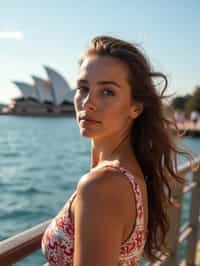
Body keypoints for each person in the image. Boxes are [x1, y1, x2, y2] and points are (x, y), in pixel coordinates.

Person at [41, 36, 192, 265]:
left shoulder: (102, 186)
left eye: (107, 92)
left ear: (135, 107)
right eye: (83, 88)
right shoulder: (129, 174)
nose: (87, 102)